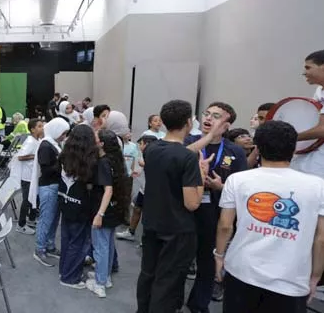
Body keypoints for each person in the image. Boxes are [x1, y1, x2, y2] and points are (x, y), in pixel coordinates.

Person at [215, 120, 324, 313]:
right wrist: (316, 275)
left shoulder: (238, 180)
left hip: (241, 270)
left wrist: (219, 256)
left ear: (257, 148)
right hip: (291, 280)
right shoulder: (318, 186)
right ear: (294, 148)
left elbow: (225, 225)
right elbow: (321, 238)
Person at [136, 100, 209, 313]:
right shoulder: (188, 158)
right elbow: (192, 203)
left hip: (152, 223)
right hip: (177, 230)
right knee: (168, 282)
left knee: (148, 274)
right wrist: (201, 175)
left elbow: (177, 153)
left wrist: (210, 137)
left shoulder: (152, 149)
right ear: (189, 122)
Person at [185, 102, 248, 311]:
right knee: (179, 261)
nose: (208, 118)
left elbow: (241, 187)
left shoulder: (235, 151)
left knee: (207, 263)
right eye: (207, 113)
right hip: (186, 211)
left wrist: (221, 187)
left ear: (227, 125)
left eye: (216, 116)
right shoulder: (189, 142)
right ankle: (171, 301)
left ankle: (198, 304)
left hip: (215, 214)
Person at [86, 129, 131, 298]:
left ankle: (100, 283)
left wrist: (100, 214)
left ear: (101, 143)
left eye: (96, 137)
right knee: (109, 244)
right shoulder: (115, 161)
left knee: (101, 247)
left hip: (103, 209)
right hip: (114, 210)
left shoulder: (103, 163)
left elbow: (108, 190)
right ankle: (105, 276)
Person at [57, 124, 99, 289]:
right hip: (81, 206)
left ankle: (64, 270)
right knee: (79, 242)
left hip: (65, 201)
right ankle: (70, 277)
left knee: (66, 239)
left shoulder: (65, 155)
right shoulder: (90, 160)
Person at [29, 118, 70, 267]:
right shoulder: (46, 146)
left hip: (55, 186)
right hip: (48, 186)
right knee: (46, 219)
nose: (64, 137)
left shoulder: (53, 143)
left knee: (53, 219)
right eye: (63, 133)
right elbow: (46, 170)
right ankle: (40, 249)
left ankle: (50, 246)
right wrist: (62, 162)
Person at [117, 135, 158, 241]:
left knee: (148, 214)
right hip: (143, 188)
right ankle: (131, 231)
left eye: (141, 144)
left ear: (147, 144)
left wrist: (145, 164)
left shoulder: (155, 155)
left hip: (151, 190)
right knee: (137, 208)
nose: (139, 146)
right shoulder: (143, 154)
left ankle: (147, 238)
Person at [292, 50, 324, 179]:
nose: (304, 72)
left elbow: (322, 129)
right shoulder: (319, 91)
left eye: (308, 67)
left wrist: (289, 137)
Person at [13, 119, 43, 235]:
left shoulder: (37, 140)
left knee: (35, 198)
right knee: (27, 200)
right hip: (27, 177)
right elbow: (20, 157)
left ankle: (31, 219)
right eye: (39, 126)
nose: (42, 128)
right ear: (32, 129)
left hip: (34, 175)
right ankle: (21, 225)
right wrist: (35, 156)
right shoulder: (30, 142)